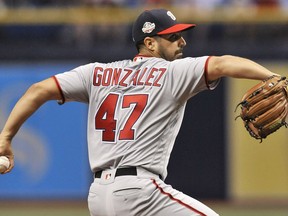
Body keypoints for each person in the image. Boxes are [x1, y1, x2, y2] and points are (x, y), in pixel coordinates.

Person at [0, 8, 279, 216]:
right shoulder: (173, 72)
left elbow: (37, 90)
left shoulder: (96, 73)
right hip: (140, 192)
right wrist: (273, 77)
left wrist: (6, 138)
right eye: (172, 36)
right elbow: (222, 63)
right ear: (150, 43)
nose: (182, 41)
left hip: (98, 197)